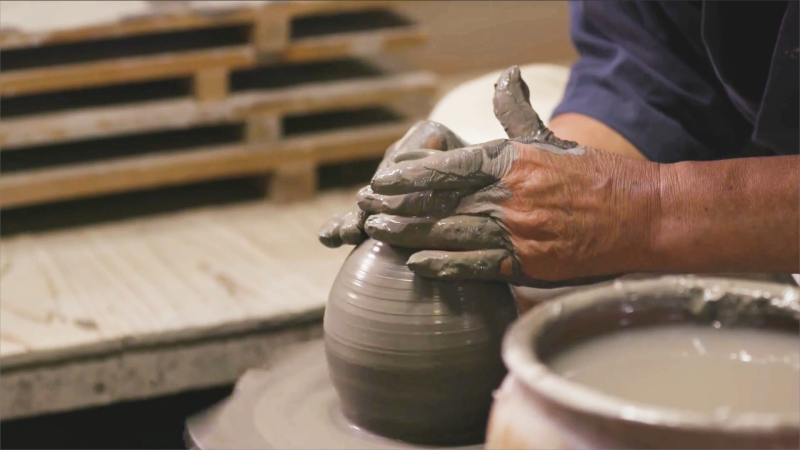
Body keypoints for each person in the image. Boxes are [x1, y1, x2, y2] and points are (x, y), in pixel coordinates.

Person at [319, 1, 799, 288]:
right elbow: (650, 72)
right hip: (748, 128)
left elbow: (644, 207)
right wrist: (530, 177)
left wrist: (651, 208)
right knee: (461, 119)